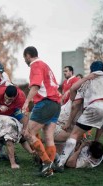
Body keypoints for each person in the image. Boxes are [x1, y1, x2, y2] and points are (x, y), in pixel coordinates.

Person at [57, 60, 103, 171]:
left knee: (75, 134)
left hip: (95, 107)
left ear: (91, 70)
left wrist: (69, 122)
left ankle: (60, 163)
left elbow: (76, 103)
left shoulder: (88, 81)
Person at [22, 46, 61, 177]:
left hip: (46, 103)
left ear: (28, 55)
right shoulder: (45, 65)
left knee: (28, 133)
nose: (25, 61)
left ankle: (46, 162)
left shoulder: (35, 65)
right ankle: (50, 169)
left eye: (24, 58)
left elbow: (36, 85)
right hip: (56, 103)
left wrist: (27, 101)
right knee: (49, 136)